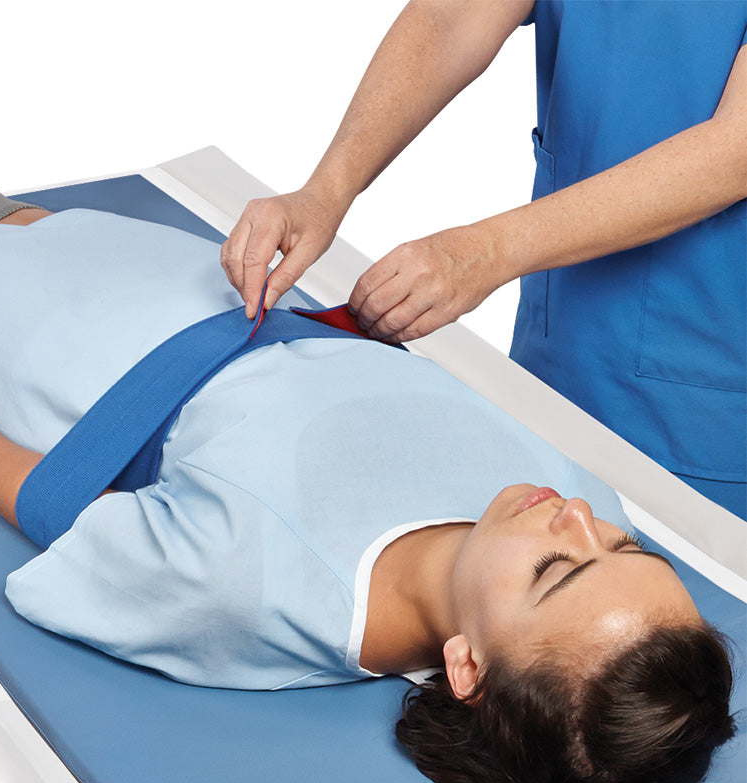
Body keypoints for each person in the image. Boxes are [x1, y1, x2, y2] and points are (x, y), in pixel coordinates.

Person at [0, 73, 735, 783]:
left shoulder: (254, 583)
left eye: (555, 570)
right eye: (622, 545)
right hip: (250, 318)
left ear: (466, 665)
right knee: (77, 238)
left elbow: (75, 520)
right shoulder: (570, 506)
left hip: (95, 370)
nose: (575, 518)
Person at [220, 1, 747, 518]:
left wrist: (485, 252)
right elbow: (450, 17)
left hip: (704, 404)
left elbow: (736, 149)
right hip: (554, 361)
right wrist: (326, 189)